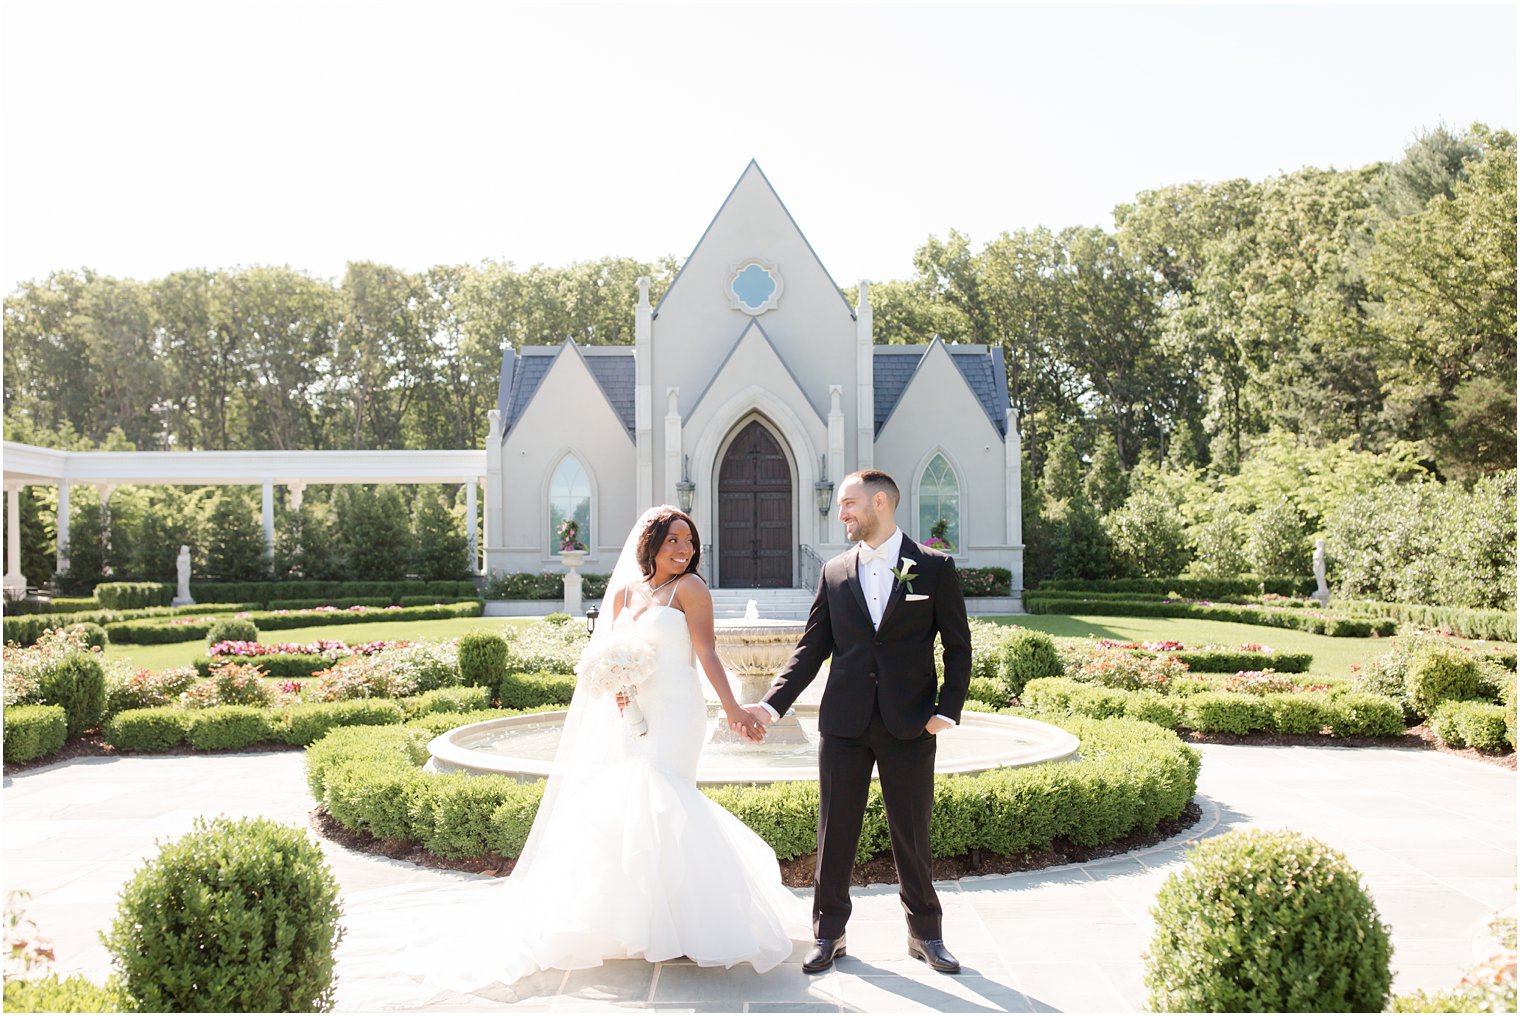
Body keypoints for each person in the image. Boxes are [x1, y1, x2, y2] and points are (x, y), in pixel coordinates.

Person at [336, 506, 805, 1007]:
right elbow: (607, 651)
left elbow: (707, 652)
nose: (683, 550)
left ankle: (687, 925)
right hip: (634, 711)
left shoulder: (691, 590)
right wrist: (618, 686)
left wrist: (732, 709)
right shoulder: (626, 592)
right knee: (632, 805)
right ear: (650, 544)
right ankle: (641, 922)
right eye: (672, 540)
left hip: (676, 713)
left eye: (688, 542)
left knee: (668, 799)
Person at [745, 469, 972, 975]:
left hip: (910, 723)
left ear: (881, 502)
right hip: (844, 725)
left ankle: (926, 933)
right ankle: (829, 933)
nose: (841, 513)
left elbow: (958, 647)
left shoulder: (934, 568)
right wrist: (769, 705)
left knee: (912, 832)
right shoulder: (834, 572)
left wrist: (945, 712)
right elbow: (811, 650)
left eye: (849, 504)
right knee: (835, 831)